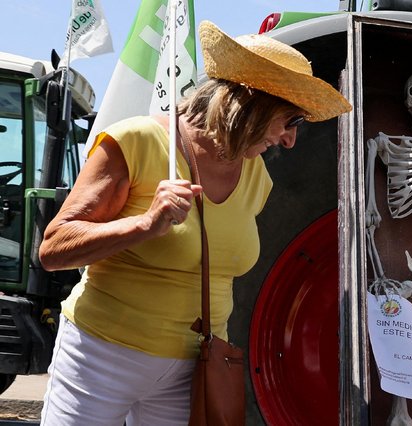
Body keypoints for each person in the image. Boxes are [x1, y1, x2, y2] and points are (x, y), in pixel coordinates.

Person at [38, 20, 351, 426]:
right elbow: (53, 249)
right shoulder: (137, 142)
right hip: (101, 358)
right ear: (252, 103)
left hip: (194, 369)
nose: (291, 139)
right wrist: (144, 225)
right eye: (290, 120)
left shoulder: (258, 178)